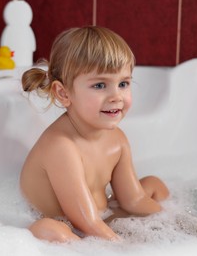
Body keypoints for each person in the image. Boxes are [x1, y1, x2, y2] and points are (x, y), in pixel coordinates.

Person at [20, 26, 169, 242]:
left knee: (154, 184)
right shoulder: (61, 147)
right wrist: (127, 250)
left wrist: (176, 226)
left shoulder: (117, 139)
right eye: (100, 85)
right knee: (48, 230)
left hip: (102, 215)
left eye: (123, 83)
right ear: (63, 93)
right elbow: (86, 222)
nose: (116, 96)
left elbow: (133, 200)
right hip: (72, 226)